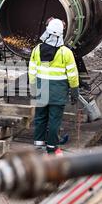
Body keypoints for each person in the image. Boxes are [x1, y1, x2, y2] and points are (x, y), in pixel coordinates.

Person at [29, 18, 79, 156]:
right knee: (54, 120)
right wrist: (75, 91)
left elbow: (32, 70)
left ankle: (39, 144)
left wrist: (33, 87)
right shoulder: (65, 52)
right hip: (58, 92)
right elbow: (73, 74)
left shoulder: (37, 49)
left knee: (40, 117)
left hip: (41, 89)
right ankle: (51, 147)